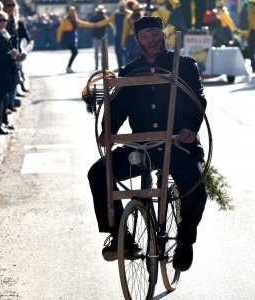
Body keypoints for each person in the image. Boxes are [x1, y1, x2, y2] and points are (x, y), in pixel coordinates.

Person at [88, 16, 208, 272]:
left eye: (155, 34)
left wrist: (190, 130)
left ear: (164, 35)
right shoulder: (129, 70)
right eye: (145, 36)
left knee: (195, 187)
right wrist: (107, 131)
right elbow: (117, 106)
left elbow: (198, 99)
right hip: (141, 146)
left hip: (178, 143)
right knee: (99, 172)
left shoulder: (184, 65)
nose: (151, 40)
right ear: (137, 40)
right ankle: (121, 237)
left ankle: (186, 240)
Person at [56, 6, 95, 73]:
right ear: (69, 13)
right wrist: (58, 40)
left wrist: (92, 25)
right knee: (75, 52)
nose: (73, 13)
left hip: (73, 39)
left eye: (74, 12)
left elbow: (83, 23)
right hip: (68, 39)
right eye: (71, 12)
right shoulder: (66, 21)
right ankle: (68, 67)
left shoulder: (75, 20)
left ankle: (69, 67)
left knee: (74, 52)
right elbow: (59, 30)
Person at [0, 10, 18, 134]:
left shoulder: (5, 33)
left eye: (4, 20)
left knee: (4, 99)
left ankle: (3, 122)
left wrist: (15, 54)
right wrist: (9, 55)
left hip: (7, 71)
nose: (2, 22)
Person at [94, 2, 130, 69]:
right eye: (120, 6)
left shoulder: (129, 14)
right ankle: (120, 67)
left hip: (127, 36)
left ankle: (128, 67)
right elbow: (107, 20)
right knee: (117, 52)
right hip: (117, 36)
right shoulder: (116, 14)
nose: (121, 7)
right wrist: (97, 25)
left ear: (125, 7)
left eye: (123, 6)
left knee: (126, 52)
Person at [89, 5, 107, 70]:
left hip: (101, 36)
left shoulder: (104, 17)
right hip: (97, 36)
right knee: (98, 51)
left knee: (101, 52)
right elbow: (89, 24)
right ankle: (98, 65)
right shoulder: (95, 17)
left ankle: (101, 65)